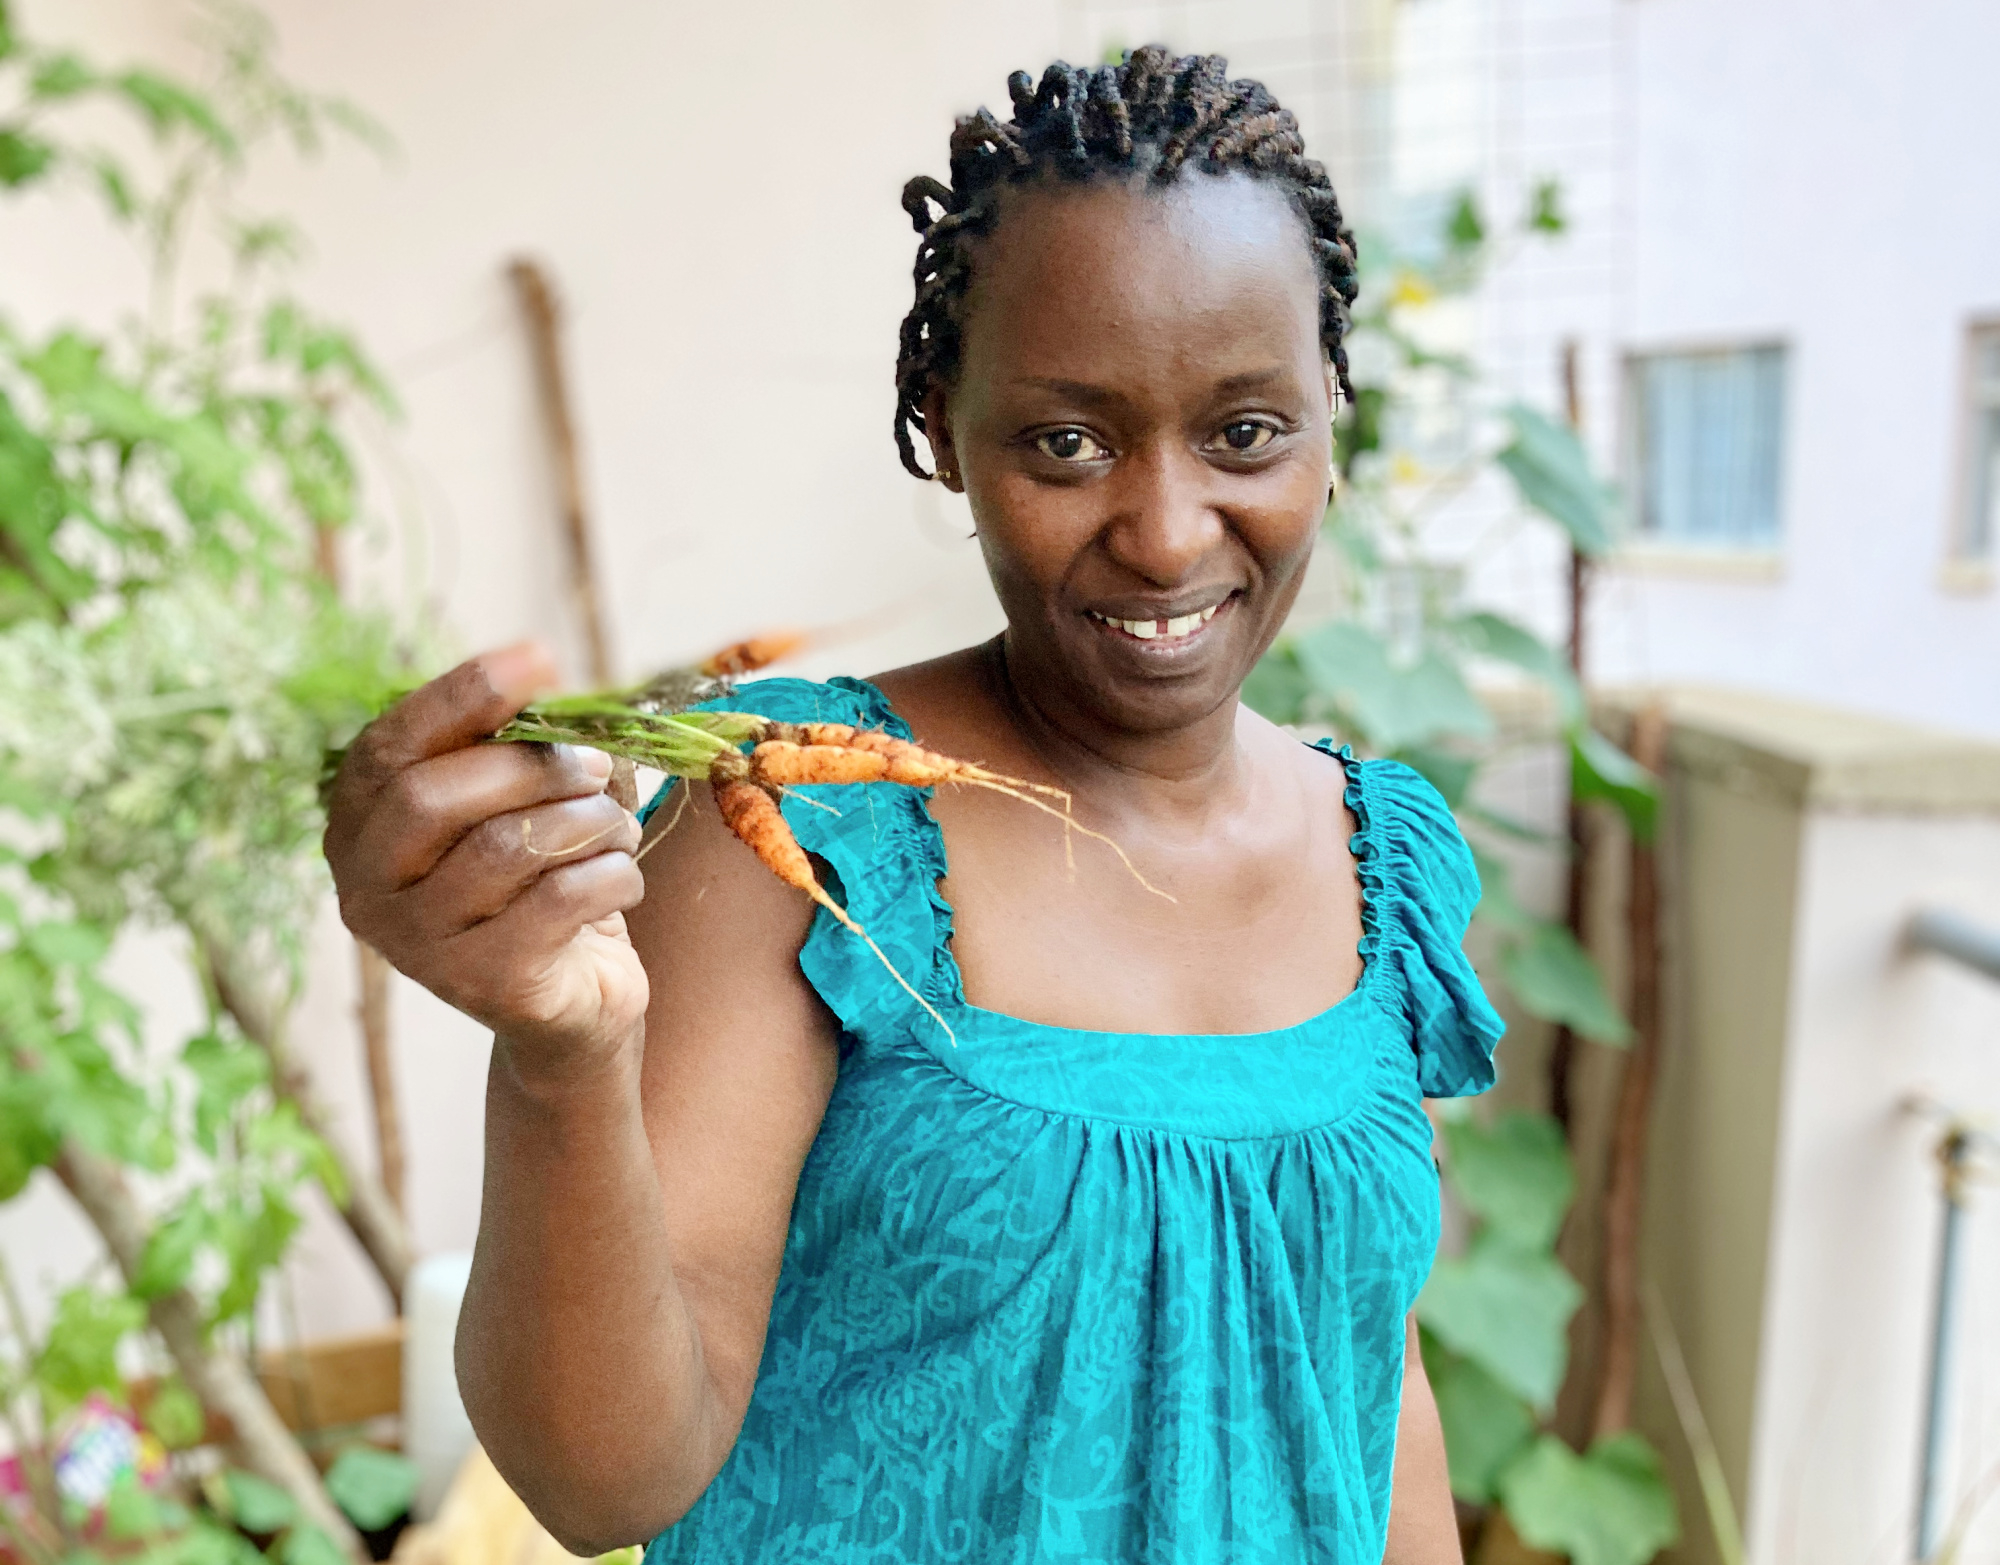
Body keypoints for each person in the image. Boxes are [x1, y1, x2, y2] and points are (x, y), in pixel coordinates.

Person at [326, 46, 1501, 1565]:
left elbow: (1370, 1384)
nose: (1164, 531)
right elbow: (608, 1480)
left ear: (1330, 414)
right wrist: (563, 1060)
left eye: (1245, 431)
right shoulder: (804, 823)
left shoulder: (1383, 863)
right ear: (942, 427)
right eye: (1067, 441)